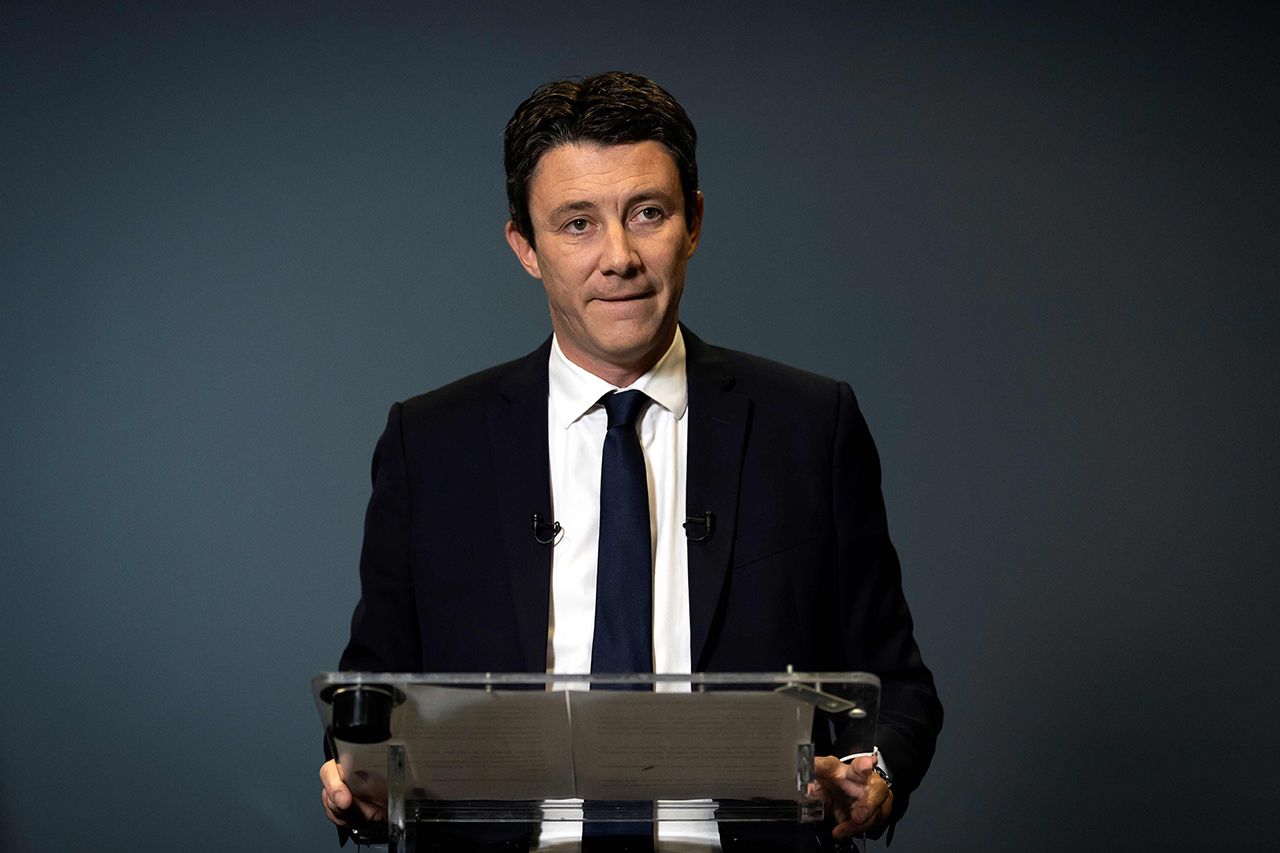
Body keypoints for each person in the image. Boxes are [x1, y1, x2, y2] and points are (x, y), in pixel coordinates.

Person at [320, 71, 942, 850]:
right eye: (577, 223)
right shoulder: (430, 444)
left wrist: (876, 775)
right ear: (525, 246)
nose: (618, 256)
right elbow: (369, 696)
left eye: (647, 213)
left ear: (694, 223)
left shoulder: (811, 426)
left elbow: (898, 687)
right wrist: (355, 775)